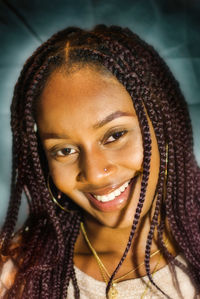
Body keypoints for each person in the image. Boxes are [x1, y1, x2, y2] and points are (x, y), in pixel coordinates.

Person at [0, 24, 199, 299]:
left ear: (164, 124)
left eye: (115, 135)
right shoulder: (18, 275)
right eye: (65, 150)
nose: (95, 174)